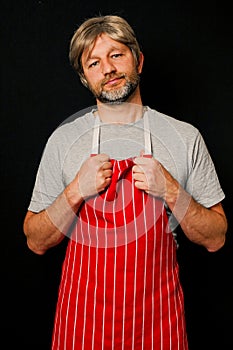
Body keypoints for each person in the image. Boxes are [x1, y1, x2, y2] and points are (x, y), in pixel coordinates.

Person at [23, 15, 227, 349]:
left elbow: (216, 238)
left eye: (117, 55)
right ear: (86, 78)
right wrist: (76, 191)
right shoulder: (64, 141)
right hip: (83, 325)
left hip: (158, 324)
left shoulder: (184, 137)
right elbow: (36, 241)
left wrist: (171, 190)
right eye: (94, 62)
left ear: (138, 59)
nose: (108, 68)